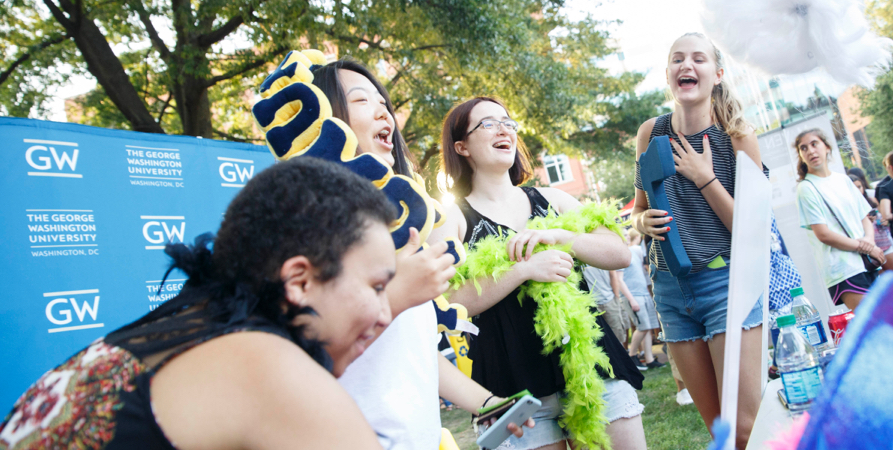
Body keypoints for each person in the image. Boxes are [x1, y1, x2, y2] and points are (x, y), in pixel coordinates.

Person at [0, 158, 397, 449]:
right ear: (300, 281)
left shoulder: (189, 331)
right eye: (378, 287)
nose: (386, 314)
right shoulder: (265, 368)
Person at [311, 59, 528, 449]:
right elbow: (310, 347)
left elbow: (413, 349)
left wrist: (488, 404)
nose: (384, 113)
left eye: (384, 103)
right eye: (361, 100)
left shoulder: (397, 227)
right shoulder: (309, 221)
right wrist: (399, 293)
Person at [433, 96, 647, 450]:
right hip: (513, 384)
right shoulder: (451, 218)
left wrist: (563, 237)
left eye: (508, 122)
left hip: (591, 369)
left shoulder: (553, 199)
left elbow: (619, 253)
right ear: (461, 147)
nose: (504, 130)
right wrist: (524, 270)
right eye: (488, 124)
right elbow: (448, 303)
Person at [629, 32, 766, 449]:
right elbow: (637, 209)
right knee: (719, 430)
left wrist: (704, 177)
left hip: (725, 284)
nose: (686, 65)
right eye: (678, 59)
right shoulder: (650, 133)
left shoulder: (737, 136)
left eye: (698, 59)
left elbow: (753, 230)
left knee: (745, 428)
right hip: (670, 291)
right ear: (668, 73)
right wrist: (642, 221)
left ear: (717, 74)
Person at [793, 128, 886, 310]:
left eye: (814, 144)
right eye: (803, 148)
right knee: (871, 322)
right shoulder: (806, 188)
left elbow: (864, 217)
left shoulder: (843, 179)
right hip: (843, 269)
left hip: (866, 262)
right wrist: (866, 247)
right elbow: (824, 234)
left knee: (887, 318)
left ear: (827, 147)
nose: (810, 151)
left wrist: (869, 241)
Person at [620, 229, 664, 370]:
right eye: (624, 235)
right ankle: (632, 356)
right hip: (633, 296)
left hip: (643, 293)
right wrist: (631, 299)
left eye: (627, 235)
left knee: (649, 326)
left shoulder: (633, 251)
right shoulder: (619, 255)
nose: (627, 237)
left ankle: (649, 360)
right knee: (643, 327)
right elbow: (619, 281)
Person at [849, 174, 893, 277]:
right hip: (869, 248)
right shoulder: (848, 205)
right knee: (882, 282)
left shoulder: (872, 200)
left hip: (884, 242)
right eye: (854, 187)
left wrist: (883, 220)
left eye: (859, 187)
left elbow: (883, 216)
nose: (858, 190)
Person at [584, 265, 637, 349]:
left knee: (617, 335)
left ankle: (621, 354)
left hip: (609, 301)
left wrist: (616, 298)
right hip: (589, 304)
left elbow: (613, 275)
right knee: (597, 339)